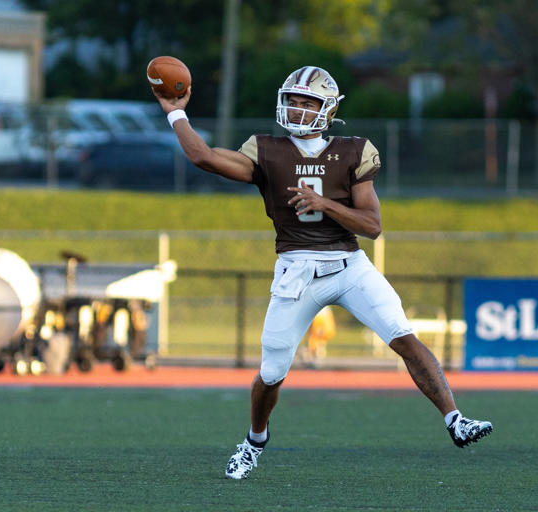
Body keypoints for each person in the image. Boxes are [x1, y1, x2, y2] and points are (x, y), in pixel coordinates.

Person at [151, 65, 493, 480]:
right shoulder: (266, 150)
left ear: (327, 108)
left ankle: (455, 420)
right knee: (271, 373)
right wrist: (175, 112)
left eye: (306, 101)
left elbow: (372, 227)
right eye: (292, 100)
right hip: (296, 269)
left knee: (403, 336)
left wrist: (325, 203)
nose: (297, 108)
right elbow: (203, 156)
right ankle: (254, 441)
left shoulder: (353, 150)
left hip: (349, 266)